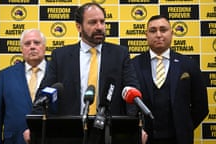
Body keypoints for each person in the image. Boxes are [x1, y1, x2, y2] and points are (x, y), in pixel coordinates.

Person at [31, 2, 146, 144]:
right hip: (69, 133)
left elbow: (132, 92)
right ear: (78, 26)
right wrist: (34, 128)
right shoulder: (60, 56)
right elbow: (43, 96)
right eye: (93, 22)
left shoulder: (120, 54)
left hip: (110, 133)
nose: (99, 27)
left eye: (102, 22)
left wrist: (135, 128)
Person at [131, 15, 209, 144]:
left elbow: (201, 106)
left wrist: (184, 127)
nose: (158, 34)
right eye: (153, 31)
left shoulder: (188, 65)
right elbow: (125, 104)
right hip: (144, 139)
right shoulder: (133, 65)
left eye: (163, 30)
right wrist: (135, 129)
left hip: (179, 139)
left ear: (172, 33)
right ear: (146, 35)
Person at [0, 28, 47, 144]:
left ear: (44, 47)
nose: (32, 46)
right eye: (27, 44)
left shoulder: (57, 73)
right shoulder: (6, 76)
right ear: (22, 49)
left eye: (37, 43)